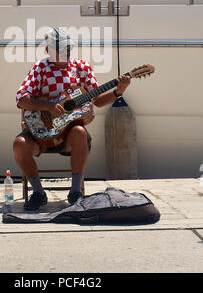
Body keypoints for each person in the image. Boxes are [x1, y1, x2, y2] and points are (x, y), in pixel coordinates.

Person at [13, 27, 131, 210]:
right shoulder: (40, 68)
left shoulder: (81, 68)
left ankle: (75, 192)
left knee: (79, 132)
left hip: (67, 136)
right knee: (19, 145)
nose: (65, 53)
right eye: (60, 51)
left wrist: (118, 91)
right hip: (40, 134)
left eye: (68, 49)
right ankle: (38, 193)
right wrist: (48, 107)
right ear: (48, 51)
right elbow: (21, 99)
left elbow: (97, 101)